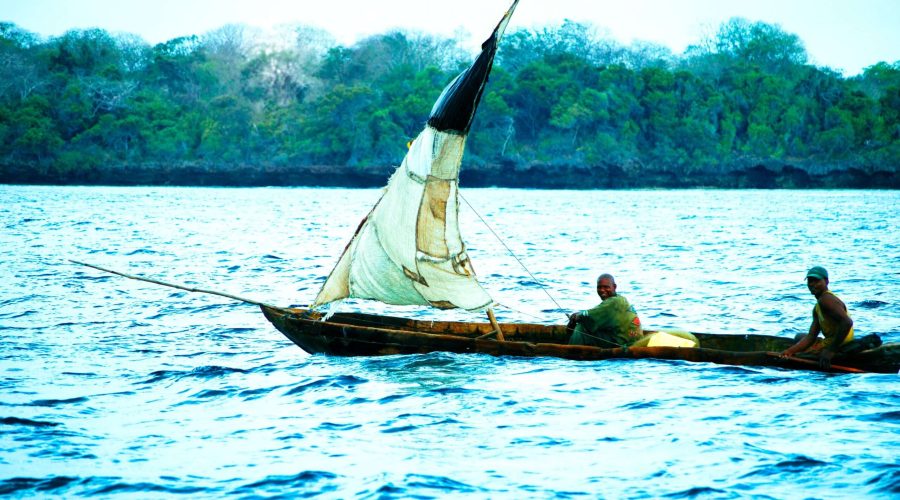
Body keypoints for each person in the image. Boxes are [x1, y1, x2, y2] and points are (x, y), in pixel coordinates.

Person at [781, 266, 854, 369]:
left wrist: (830, 350)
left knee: (798, 340)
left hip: (840, 344)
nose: (812, 284)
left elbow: (847, 322)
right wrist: (789, 352)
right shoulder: (818, 307)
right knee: (799, 337)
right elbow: (811, 336)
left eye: (816, 281)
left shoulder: (826, 300)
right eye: (810, 281)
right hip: (833, 341)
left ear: (826, 281)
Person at [568, 273, 643, 348]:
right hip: (637, 341)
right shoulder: (620, 299)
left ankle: (571, 353)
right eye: (599, 287)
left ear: (614, 287)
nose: (602, 290)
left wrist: (576, 316)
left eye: (606, 287)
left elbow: (589, 316)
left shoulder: (613, 302)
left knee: (581, 327)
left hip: (625, 345)